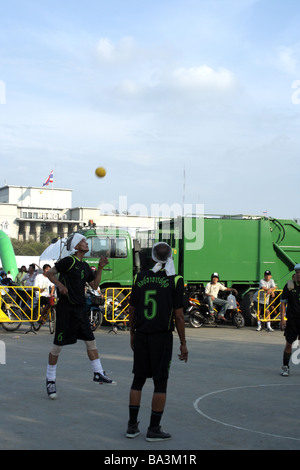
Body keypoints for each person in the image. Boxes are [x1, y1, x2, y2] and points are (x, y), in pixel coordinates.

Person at [126, 242, 188, 442]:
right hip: (161, 336)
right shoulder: (175, 280)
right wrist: (183, 343)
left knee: (138, 380)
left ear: (152, 257)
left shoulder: (140, 277)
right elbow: (179, 316)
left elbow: (132, 309)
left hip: (142, 334)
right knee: (160, 382)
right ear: (170, 258)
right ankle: (153, 428)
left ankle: (132, 426)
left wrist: (132, 333)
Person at [44, 233, 116, 399]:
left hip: (80, 309)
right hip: (66, 309)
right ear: (76, 246)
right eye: (83, 241)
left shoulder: (84, 266)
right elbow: (50, 273)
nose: (86, 243)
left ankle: (98, 373)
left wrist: (100, 268)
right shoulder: (68, 261)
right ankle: (50, 379)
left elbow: (95, 284)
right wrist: (60, 285)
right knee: (57, 346)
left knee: (91, 341)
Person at [280, 264, 300, 376]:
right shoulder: (290, 285)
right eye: (297, 272)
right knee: (289, 344)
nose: (299, 274)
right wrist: (283, 319)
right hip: (292, 319)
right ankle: (285, 366)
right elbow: (283, 303)